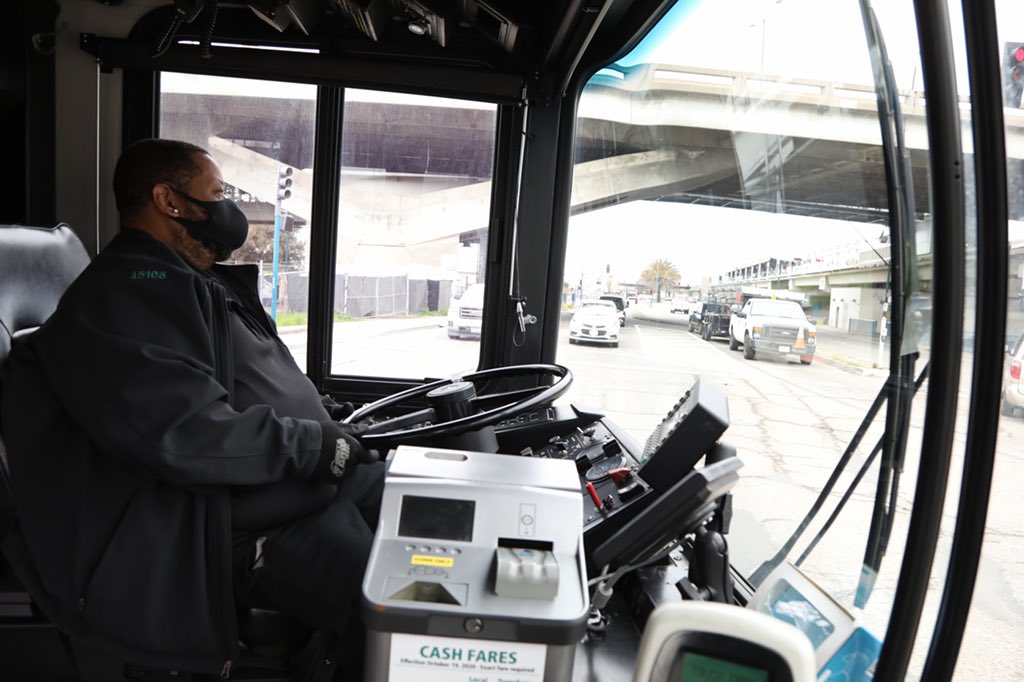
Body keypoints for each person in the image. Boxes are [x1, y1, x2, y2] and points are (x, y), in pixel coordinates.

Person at [0, 138, 383, 679]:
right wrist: (314, 444)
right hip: (225, 526)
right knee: (394, 602)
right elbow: (183, 434)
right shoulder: (124, 295)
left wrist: (329, 418)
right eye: (217, 194)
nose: (228, 211)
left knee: (434, 508)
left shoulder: (191, 281)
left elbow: (248, 380)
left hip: (296, 485)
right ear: (169, 201)